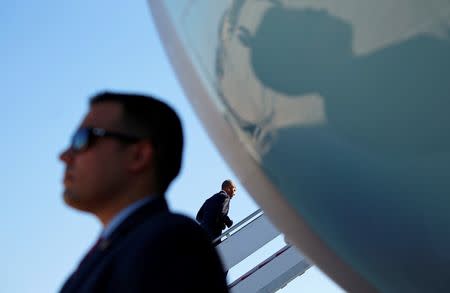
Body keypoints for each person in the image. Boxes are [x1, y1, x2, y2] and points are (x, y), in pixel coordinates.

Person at [59, 92, 228, 293]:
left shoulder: (171, 245)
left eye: (83, 139)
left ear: (139, 155)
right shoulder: (116, 250)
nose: (65, 156)